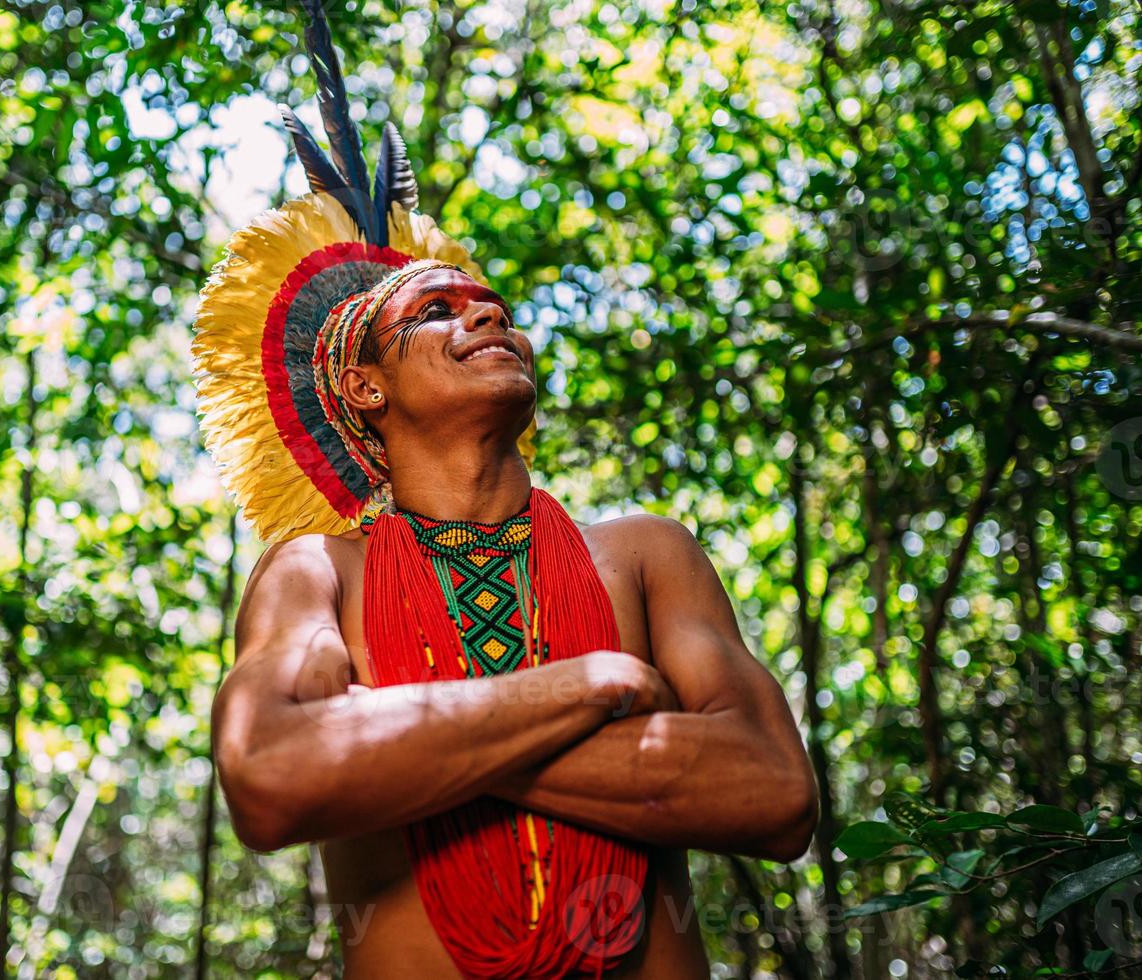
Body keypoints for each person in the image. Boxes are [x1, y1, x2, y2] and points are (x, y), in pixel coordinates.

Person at [191, 6, 817, 976]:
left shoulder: (647, 553)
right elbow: (269, 774)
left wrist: (413, 739)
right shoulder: (317, 570)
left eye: (494, 309)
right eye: (435, 310)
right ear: (364, 387)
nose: (486, 312)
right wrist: (588, 688)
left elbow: (774, 791)